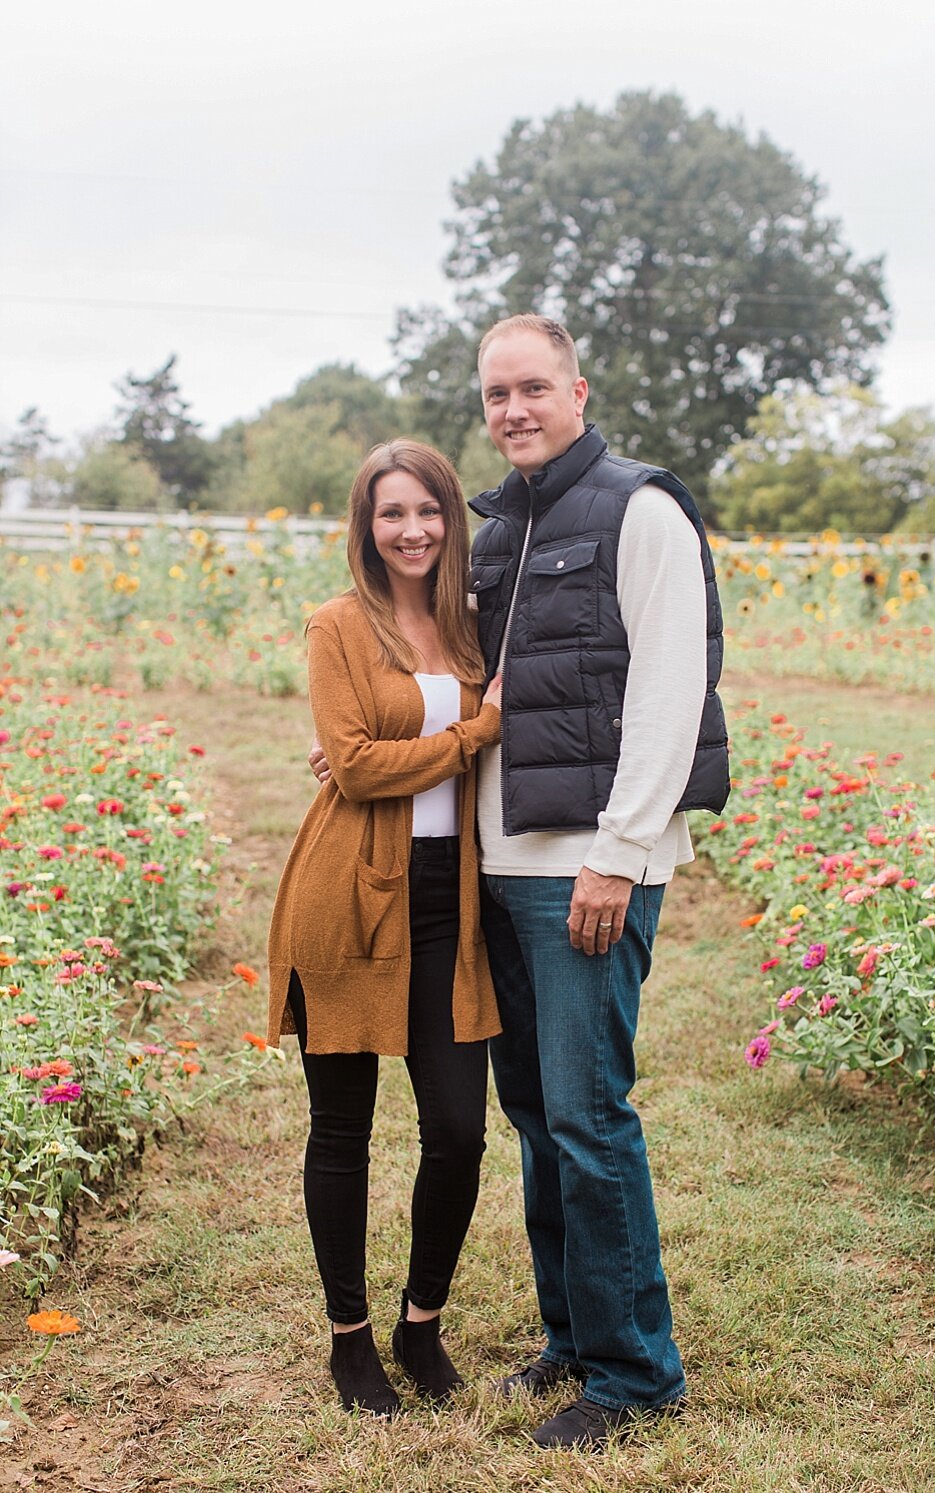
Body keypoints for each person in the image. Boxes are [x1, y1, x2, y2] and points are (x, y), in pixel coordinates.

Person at [463, 313, 727, 1449]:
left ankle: (634, 1375)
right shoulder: (497, 528)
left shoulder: (639, 508)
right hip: (499, 862)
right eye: (493, 396)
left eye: (531, 388)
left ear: (577, 388)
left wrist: (619, 851)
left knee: (586, 1112)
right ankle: (572, 1334)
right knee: (533, 1112)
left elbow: (671, 687)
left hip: (583, 865)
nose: (513, 410)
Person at [267, 440, 504, 1418]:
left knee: (457, 1131)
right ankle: (349, 1340)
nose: (411, 529)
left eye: (428, 511)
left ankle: (421, 1322)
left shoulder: (476, 626)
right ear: (366, 526)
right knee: (343, 1129)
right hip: (352, 897)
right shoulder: (338, 624)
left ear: (452, 518)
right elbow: (358, 768)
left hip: (451, 904)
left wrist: (403, 749)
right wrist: (475, 731)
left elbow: (374, 752)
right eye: (390, 512)